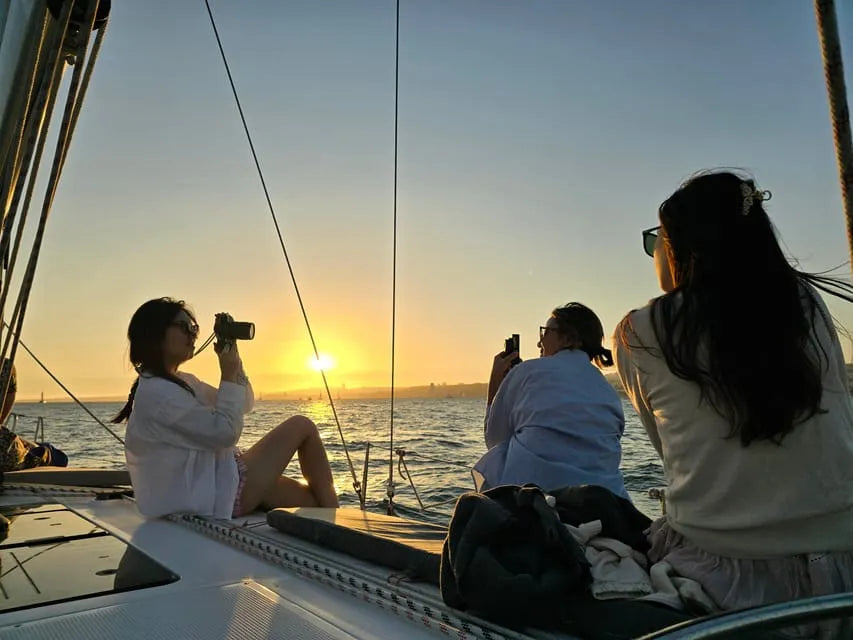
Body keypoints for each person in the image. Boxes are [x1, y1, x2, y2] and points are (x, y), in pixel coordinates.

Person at [615, 170, 853, 623]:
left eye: (657, 241)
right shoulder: (807, 304)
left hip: (729, 581)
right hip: (844, 569)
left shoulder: (640, 334)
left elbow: (672, 456)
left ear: (683, 247)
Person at [113, 297, 339, 519]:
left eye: (194, 328)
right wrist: (228, 374)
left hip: (219, 481)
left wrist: (234, 362)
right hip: (217, 493)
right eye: (184, 327)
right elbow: (224, 433)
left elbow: (244, 403)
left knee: (314, 502)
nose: (193, 334)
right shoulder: (159, 394)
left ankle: (337, 520)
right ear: (155, 333)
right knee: (302, 426)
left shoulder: (181, 382)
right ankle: (343, 526)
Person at [474, 302, 628, 498]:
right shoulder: (608, 391)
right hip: (607, 502)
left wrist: (496, 381)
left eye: (545, 333)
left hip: (537, 503)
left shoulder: (526, 372)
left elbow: (494, 440)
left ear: (567, 338)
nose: (539, 343)